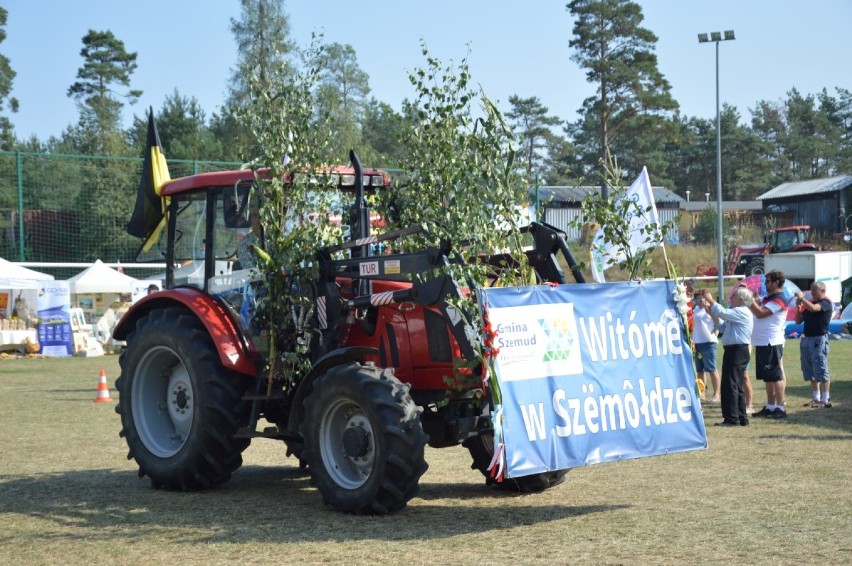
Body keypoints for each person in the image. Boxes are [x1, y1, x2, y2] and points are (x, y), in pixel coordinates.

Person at [702, 286, 754, 427]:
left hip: (737, 350)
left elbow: (723, 312)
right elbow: (723, 327)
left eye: (734, 296)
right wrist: (712, 313)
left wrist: (711, 300)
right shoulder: (738, 313)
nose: (732, 298)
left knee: (730, 383)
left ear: (741, 299)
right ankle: (741, 417)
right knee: (736, 384)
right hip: (737, 350)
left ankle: (732, 418)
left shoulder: (741, 311)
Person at [747, 270, 789, 419]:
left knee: (776, 376)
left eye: (768, 281)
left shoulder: (779, 299)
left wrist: (749, 300)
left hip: (771, 341)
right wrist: (754, 300)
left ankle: (780, 406)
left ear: (777, 282)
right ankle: (770, 406)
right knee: (768, 377)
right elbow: (759, 309)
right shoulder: (769, 298)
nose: (766, 284)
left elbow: (760, 314)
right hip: (763, 342)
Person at [795, 282, 833, 408]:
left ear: (823, 290)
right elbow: (798, 320)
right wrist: (798, 307)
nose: (812, 292)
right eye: (811, 290)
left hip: (819, 339)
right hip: (807, 339)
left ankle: (825, 399)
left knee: (821, 369)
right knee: (810, 369)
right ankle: (816, 398)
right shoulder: (810, 303)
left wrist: (802, 299)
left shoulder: (825, 303)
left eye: (815, 290)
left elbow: (814, 309)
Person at [691, 291, 720, 402]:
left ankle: (716, 394)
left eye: (700, 300)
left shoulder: (712, 309)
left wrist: (715, 332)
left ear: (706, 299)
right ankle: (701, 393)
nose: (698, 302)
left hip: (708, 342)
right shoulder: (695, 310)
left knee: (712, 369)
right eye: (696, 300)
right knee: (700, 370)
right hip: (697, 343)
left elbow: (719, 322)